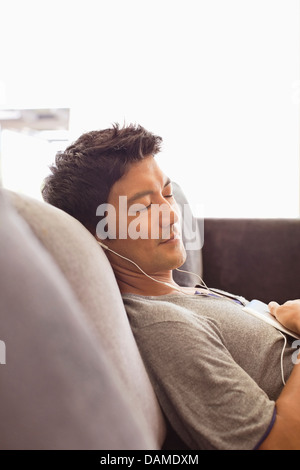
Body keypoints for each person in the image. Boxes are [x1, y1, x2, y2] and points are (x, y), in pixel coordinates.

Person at [42, 123, 300, 450]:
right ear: (99, 232)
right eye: (143, 207)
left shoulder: (187, 291)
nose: (169, 214)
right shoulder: (165, 327)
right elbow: (281, 444)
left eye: (166, 194)